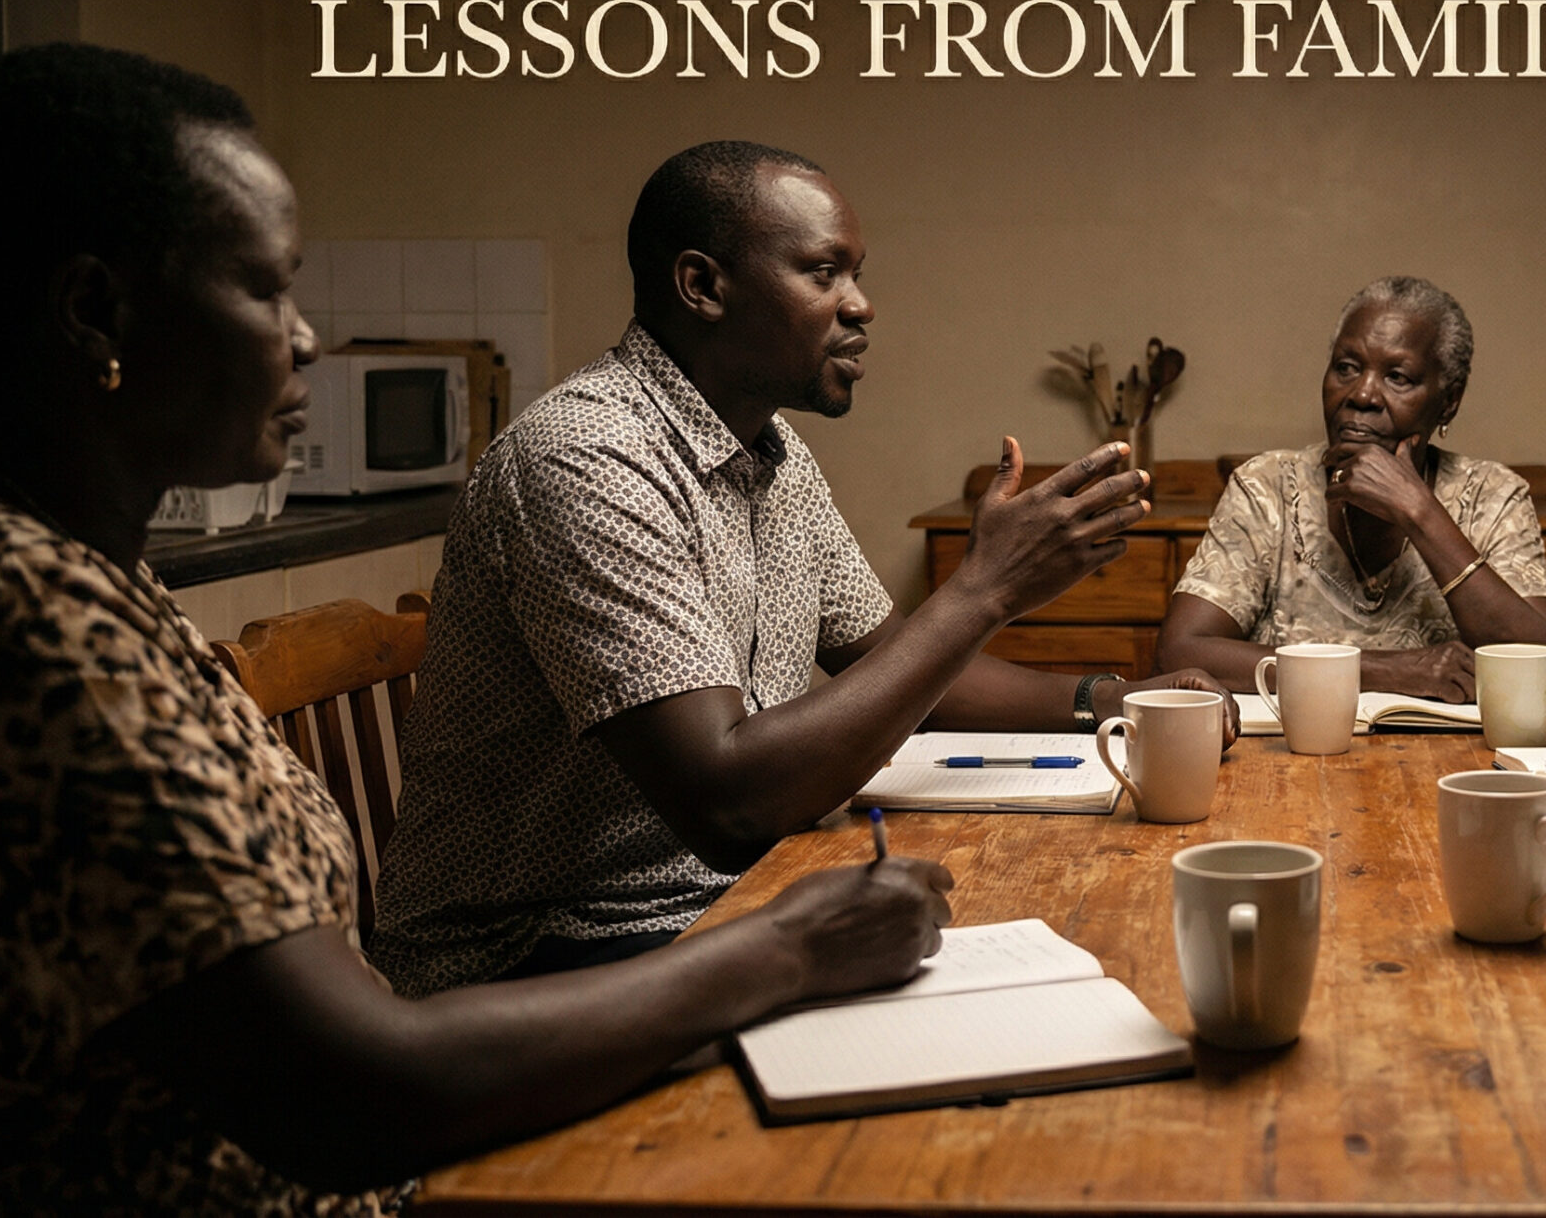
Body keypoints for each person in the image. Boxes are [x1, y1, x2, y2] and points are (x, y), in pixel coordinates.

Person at [0, 43, 955, 1214]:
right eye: (264, 287)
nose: (305, 337)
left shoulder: (99, 584)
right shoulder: (31, 615)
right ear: (95, 312)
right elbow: (352, 1094)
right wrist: (785, 948)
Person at [371, 141, 1232, 996]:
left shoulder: (773, 453)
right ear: (703, 286)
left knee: (1094, 922)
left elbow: (889, 656)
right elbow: (731, 807)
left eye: (856, 274)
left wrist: (1105, 699)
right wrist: (985, 589)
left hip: (714, 907)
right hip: (540, 956)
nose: (861, 306)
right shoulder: (588, 457)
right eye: (823, 273)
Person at [1156, 276, 1546, 702]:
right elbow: (1179, 654)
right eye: (1346, 368)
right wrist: (1385, 670)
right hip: (1291, 757)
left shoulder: (1493, 495)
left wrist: (1419, 513)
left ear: (1449, 401)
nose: (1363, 394)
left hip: (1450, 759)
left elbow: (1545, 661)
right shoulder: (1267, 488)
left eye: (1398, 377)